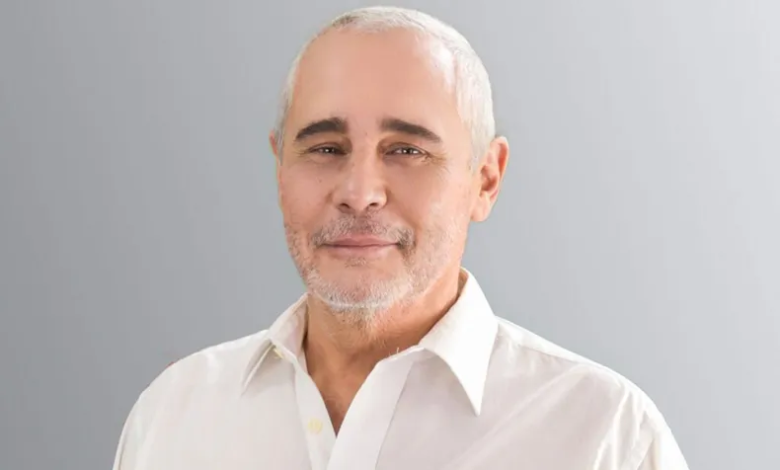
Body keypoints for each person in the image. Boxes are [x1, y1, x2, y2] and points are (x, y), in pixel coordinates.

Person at [112, 6, 688, 470]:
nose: (359, 192)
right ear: (279, 168)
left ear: (486, 180)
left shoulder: (605, 437)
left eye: (407, 150)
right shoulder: (174, 415)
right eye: (325, 148)